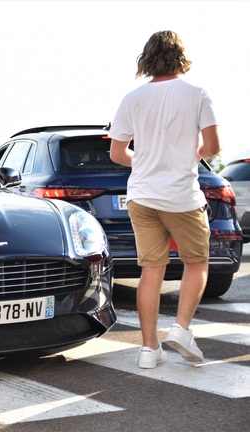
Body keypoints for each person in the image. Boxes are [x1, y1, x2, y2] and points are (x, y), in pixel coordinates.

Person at [109, 30, 221, 369]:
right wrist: (187, 156)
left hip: (141, 195)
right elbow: (213, 148)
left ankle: (148, 349)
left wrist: (145, 160)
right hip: (181, 197)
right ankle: (181, 329)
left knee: (151, 270)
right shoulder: (197, 94)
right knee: (197, 262)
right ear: (180, 57)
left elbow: (117, 153)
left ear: (148, 58)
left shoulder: (132, 98)